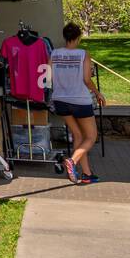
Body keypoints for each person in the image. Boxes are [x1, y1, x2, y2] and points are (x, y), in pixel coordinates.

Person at [51, 22, 106, 184]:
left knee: (78, 135)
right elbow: (86, 79)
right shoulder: (83, 54)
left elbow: (49, 77)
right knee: (91, 136)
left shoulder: (54, 53)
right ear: (78, 37)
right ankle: (72, 161)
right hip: (79, 100)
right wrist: (97, 93)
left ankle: (87, 174)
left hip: (60, 99)